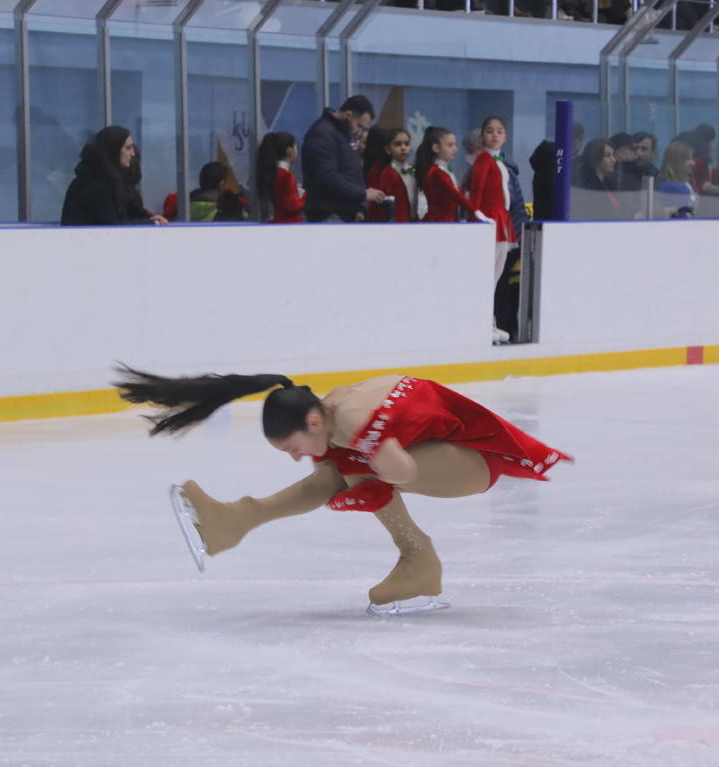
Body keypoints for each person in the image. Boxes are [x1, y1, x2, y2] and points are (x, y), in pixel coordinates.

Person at [113, 367, 570, 613]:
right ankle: (235, 520)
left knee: (352, 468)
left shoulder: (349, 420)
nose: (296, 456)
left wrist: (365, 487)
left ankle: (419, 559)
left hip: (476, 461)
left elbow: (403, 472)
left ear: (312, 421)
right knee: (342, 467)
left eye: (293, 447)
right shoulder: (333, 410)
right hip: (445, 449)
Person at [468, 117, 516, 345]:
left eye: (499, 131)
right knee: (487, 277)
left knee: (495, 278)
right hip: (489, 221)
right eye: (489, 131)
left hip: (502, 221)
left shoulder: (500, 162)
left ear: (505, 137)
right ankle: (482, 324)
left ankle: (490, 322)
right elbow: (475, 193)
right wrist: (474, 221)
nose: (495, 135)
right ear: (482, 136)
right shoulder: (483, 158)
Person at [300, 95, 386, 222]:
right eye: (359, 125)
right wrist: (363, 194)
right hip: (330, 213)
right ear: (348, 115)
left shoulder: (343, 134)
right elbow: (327, 176)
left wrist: (360, 206)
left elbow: (352, 172)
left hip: (344, 212)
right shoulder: (323, 133)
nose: (360, 132)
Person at [61, 126, 167, 226]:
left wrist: (150, 219)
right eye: (128, 148)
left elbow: (132, 211)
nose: (133, 153)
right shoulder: (91, 185)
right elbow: (111, 226)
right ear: (114, 150)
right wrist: (149, 223)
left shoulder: (117, 181)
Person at [416, 126, 482, 223]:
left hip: (448, 221)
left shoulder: (443, 170)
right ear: (436, 148)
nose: (455, 149)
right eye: (450, 145)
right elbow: (455, 196)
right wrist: (476, 212)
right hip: (440, 222)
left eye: (455, 145)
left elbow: (453, 192)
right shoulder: (436, 172)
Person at [366, 129, 415, 223]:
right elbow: (385, 203)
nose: (403, 148)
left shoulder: (413, 169)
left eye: (407, 143)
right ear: (388, 149)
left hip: (414, 222)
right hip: (396, 223)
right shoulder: (388, 172)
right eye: (398, 144)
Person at [256, 131, 305, 224]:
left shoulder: (271, 173)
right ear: (290, 151)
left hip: (276, 222)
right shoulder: (286, 175)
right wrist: (304, 197)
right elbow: (291, 205)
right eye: (296, 148)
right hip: (288, 224)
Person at [574, 138, 621, 219]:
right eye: (608, 156)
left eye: (613, 155)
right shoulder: (587, 188)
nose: (613, 160)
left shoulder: (608, 184)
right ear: (595, 157)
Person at [657, 140, 697, 218]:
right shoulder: (665, 187)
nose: (693, 163)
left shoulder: (685, 183)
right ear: (677, 161)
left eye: (692, 158)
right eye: (688, 159)